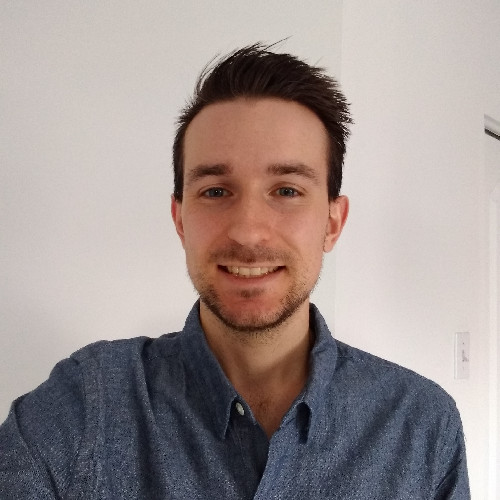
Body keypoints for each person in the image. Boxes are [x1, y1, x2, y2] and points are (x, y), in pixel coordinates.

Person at [0, 43, 469, 499]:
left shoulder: (422, 425)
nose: (248, 232)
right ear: (180, 219)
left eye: (286, 190)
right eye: (216, 191)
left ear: (332, 222)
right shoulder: (85, 405)